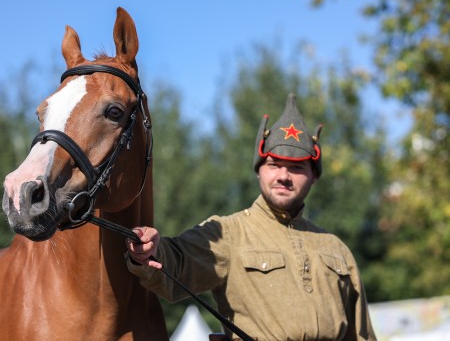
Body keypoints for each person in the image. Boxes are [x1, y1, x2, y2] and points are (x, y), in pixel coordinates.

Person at [125, 93, 377, 340]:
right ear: (259, 171)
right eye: (273, 165)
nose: (283, 176)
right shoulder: (227, 234)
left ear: (314, 176)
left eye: (297, 167)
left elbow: (363, 335)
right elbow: (175, 263)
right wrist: (149, 250)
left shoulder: (337, 249)